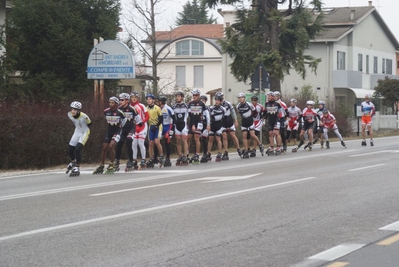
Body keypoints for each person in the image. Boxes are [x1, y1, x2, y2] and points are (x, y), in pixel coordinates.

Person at [93, 97, 125, 174]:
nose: (110, 104)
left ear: (116, 104)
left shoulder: (120, 112)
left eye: (112, 103)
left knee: (111, 146)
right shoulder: (106, 111)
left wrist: (120, 128)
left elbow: (124, 121)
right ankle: (102, 165)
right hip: (109, 131)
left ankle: (111, 163)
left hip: (117, 131)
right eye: (109, 102)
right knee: (104, 147)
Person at [114, 93, 138, 171]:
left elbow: (138, 119)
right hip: (122, 130)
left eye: (122, 100)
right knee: (119, 143)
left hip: (130, 129)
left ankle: (131, 160)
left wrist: (137, 127)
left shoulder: (132, 109)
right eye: (119, 100)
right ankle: (117, 160)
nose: (120, 102)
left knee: (128, 142)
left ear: (127, 101)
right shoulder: (118, 109)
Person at [66, 101, 91, 176]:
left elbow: (90, 124)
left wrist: (85, 132)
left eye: (75, 110)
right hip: (77, 131)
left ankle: (77, 166)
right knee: (70, 148)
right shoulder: (69, 114)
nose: (72, 111)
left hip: (85, 132)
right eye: (72, 109)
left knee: (77, 149)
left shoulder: (84, 116)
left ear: (78, 111)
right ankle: (73, 161)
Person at [187, 88, 210, 163]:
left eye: (196, 95)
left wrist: (208, 124)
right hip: (192, 122)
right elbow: (189, 115)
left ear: (199, 95)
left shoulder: (202, 104)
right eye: (193, 95)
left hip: (199, 123)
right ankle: (187, 154)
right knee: (188, 138)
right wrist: (192, 124)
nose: (194, 96)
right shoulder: (190, 103)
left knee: (196, 138)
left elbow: (207, 115)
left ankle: (197, 154)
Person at [236, 92, 261, 157]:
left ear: (244, 98)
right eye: (239, 98)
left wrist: (254, 118)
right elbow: (240, 113)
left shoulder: (249, 104)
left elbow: (254, 111)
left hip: (250, 122)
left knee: (252, 135)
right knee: (244, 136)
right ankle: (246, 149)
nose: (241, 99)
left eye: (242, 98)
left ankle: (260, 144)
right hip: (244, 122)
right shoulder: (238, 106)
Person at [218, 91, 241, 158]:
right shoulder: (218, 104)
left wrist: (236, 121)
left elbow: (233, 112)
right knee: (224, 136)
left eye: (221, 98)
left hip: (229, 121)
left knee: (233, 135)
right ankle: (226, 151)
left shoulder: (228, 103)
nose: (220, 99)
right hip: (222, 122)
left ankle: (238, 148)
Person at [130, 91, 149, 169]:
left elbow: (147, 116)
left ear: (138, 98)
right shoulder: (129, 106)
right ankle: (134, 159)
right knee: (134, 144)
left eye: (135, 97)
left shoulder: (141, 106)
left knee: (141, 143)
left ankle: (143, 159)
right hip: (134, 127)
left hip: (142, 126)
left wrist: (142, 122)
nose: (134, 99)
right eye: (132, 97)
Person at [172, 91, 190, 165]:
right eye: (176, 96)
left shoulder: (186, 105)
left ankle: (185, 155)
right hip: (177, 125)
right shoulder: (173, 106)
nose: (177, 97)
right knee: (178, 141)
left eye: (179, 96)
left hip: (184, 125)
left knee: (184, 140)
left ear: (182, 97)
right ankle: (180, 155)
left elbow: (190, 115)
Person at [146, 94, 164, 167]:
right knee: (150, 143)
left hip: (158, 126)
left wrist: (156, 125)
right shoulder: (146, 108)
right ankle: (151, 158)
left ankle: (161, 155)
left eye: (150, 99)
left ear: (153, 100)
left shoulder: (157, 108)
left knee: (157, 142)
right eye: (147, 99)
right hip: (151, 126)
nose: (149, 100)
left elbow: (161, 119)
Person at [207, 94, 226, 161]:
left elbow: (224, 117)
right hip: (213, 124)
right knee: (210, 138)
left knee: (218, 138)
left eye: (218, 100)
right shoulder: (211, 108)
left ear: (220, 101)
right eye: (216, 100)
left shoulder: (223, 109)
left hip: (219, 125)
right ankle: (208, 153)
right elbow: (208, 116)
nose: (217, 101)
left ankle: (219, 153)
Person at [159, 95, 174, 167]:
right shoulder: (158, 108)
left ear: (162, 102)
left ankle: (168, 158)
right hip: (161, 127)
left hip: (168, 126)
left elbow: (174, 118)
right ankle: (157, 156)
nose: (157, 102)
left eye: (159, 101)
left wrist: (172, 129)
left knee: (167, 142)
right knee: (157, 141)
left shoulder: (168, 108)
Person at [200, 95, 211, 162]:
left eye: (203, 100)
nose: (202, 102)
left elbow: (208, 117)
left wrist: (208, 125)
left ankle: (205, 153)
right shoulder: (198, 107)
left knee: (204, 139)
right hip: (199, 125)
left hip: (205, 125)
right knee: (199, 139)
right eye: (201, 100)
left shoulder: (207, 108)